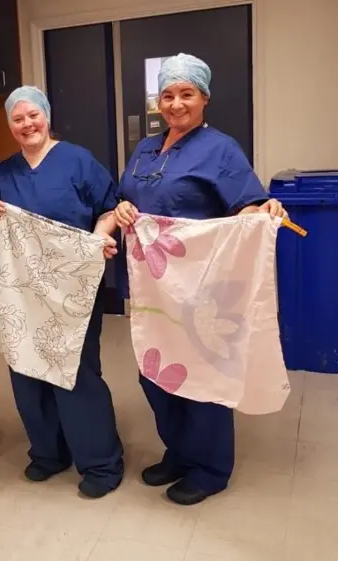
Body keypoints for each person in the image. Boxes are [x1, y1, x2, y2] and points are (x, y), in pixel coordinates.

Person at [109, 53, 288, 506]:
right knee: (157, 372)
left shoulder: (221, 149)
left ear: (204, 98)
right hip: (152, 285)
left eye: (186, 94)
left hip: (199, 289)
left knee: (201, 374)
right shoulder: (146, 148)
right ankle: (180, 453)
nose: (175, 104)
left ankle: (209, 468)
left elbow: (245, 204)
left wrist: (263, 213)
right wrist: (122, 209)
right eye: (167, 95)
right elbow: (126, 196)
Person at [0, 86, 124, 499]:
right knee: (26, 367)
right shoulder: (3, 174)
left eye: (33, 116)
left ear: (46, 116)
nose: (27, 125)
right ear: (10, 126)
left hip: (72, 286)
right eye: (18, 119)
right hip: (24, 292)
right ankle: (49, 452)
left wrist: (98, 240)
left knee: (75, 370)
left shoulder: (78, 161)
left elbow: (111, 208)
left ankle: (101, 462)